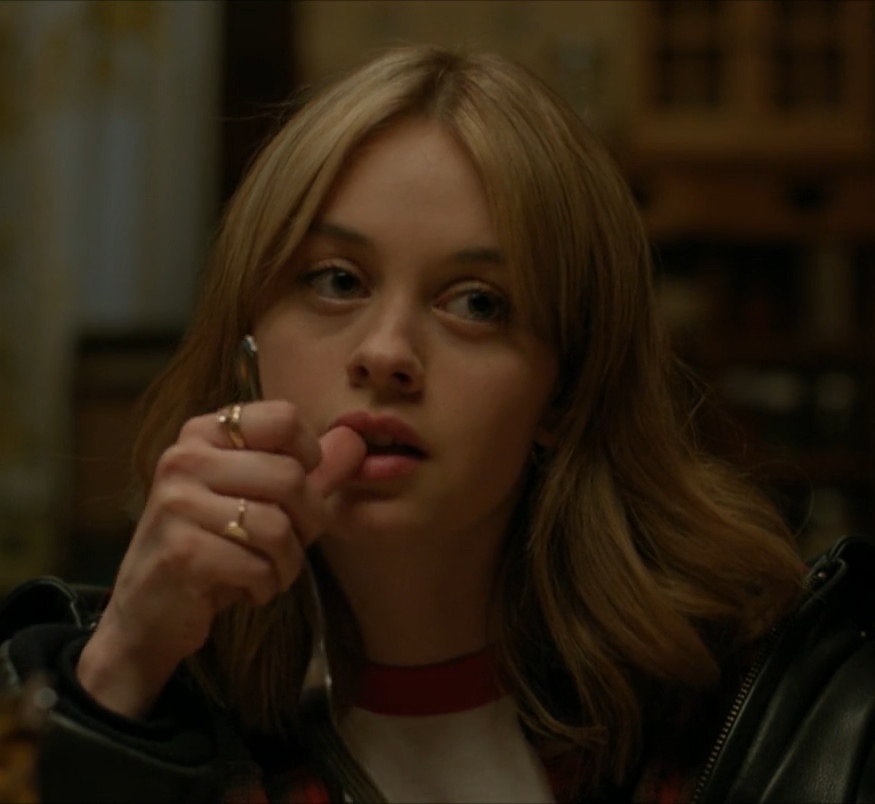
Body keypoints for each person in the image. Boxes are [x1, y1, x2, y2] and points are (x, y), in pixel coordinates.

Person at [1, 44, 874, 804]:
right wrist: (118, 675)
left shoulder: (773, 714)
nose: (386, 353)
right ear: (247, 348)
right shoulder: (122, 689)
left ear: (565, 396)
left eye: (476, 303)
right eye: (337, 281)